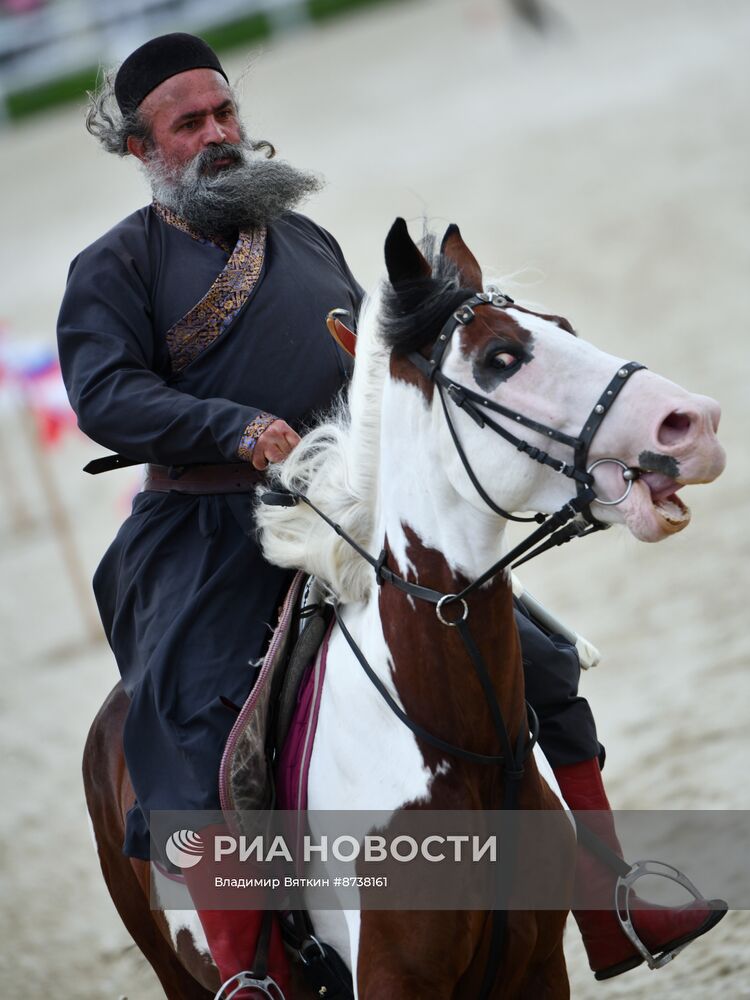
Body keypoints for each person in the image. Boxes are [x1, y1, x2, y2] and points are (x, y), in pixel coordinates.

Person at [58, 32, 724, 993]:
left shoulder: (301, 235)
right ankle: (246, 971)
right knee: (188, 721)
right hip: (206, 532)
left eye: (225, 111)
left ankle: (611, 893)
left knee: (534, 658)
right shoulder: (112, 267)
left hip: (341, 506)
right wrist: (234, 427)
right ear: (139, 148)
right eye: (189, 123)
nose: (218, 134)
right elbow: (104, 395)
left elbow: (372, 376)